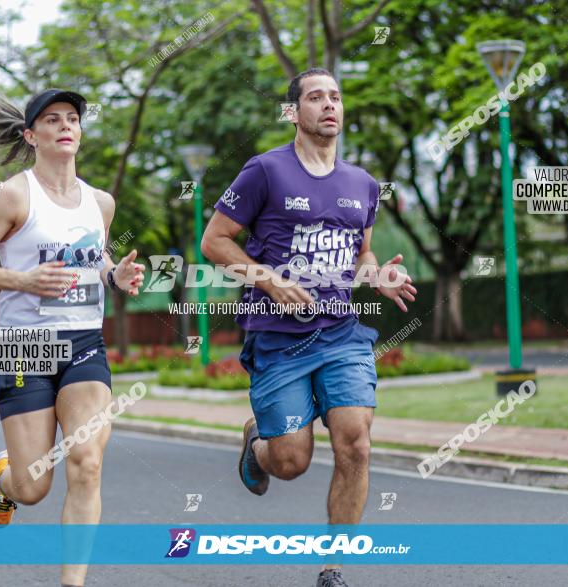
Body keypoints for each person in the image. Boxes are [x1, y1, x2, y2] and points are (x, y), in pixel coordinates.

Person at [201, 68, 416, 587]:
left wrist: (377, 275)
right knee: (291, 461)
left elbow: (358, 254)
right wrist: (270, 281)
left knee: (356, 443)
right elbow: (214, 242)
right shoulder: (264, 172)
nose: (329, 105)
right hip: (278, 340)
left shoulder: (363, 184)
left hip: (342, 334)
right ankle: (258, 443)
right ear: (293, 112)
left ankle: (334, 566)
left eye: (335, 97)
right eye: (315, 97)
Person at [0, 89, 144, 587]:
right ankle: (7, 475)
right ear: (30, 135)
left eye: (73, 118)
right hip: (25, 347)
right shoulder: (13, 195)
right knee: (33, 487)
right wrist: (22, 280)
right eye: (52, 119)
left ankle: (72, 583)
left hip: (84, 343)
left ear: (80, 132)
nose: (65, 125)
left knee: (87, 461)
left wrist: (113, 277)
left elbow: (92, 257)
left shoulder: (100, 202)